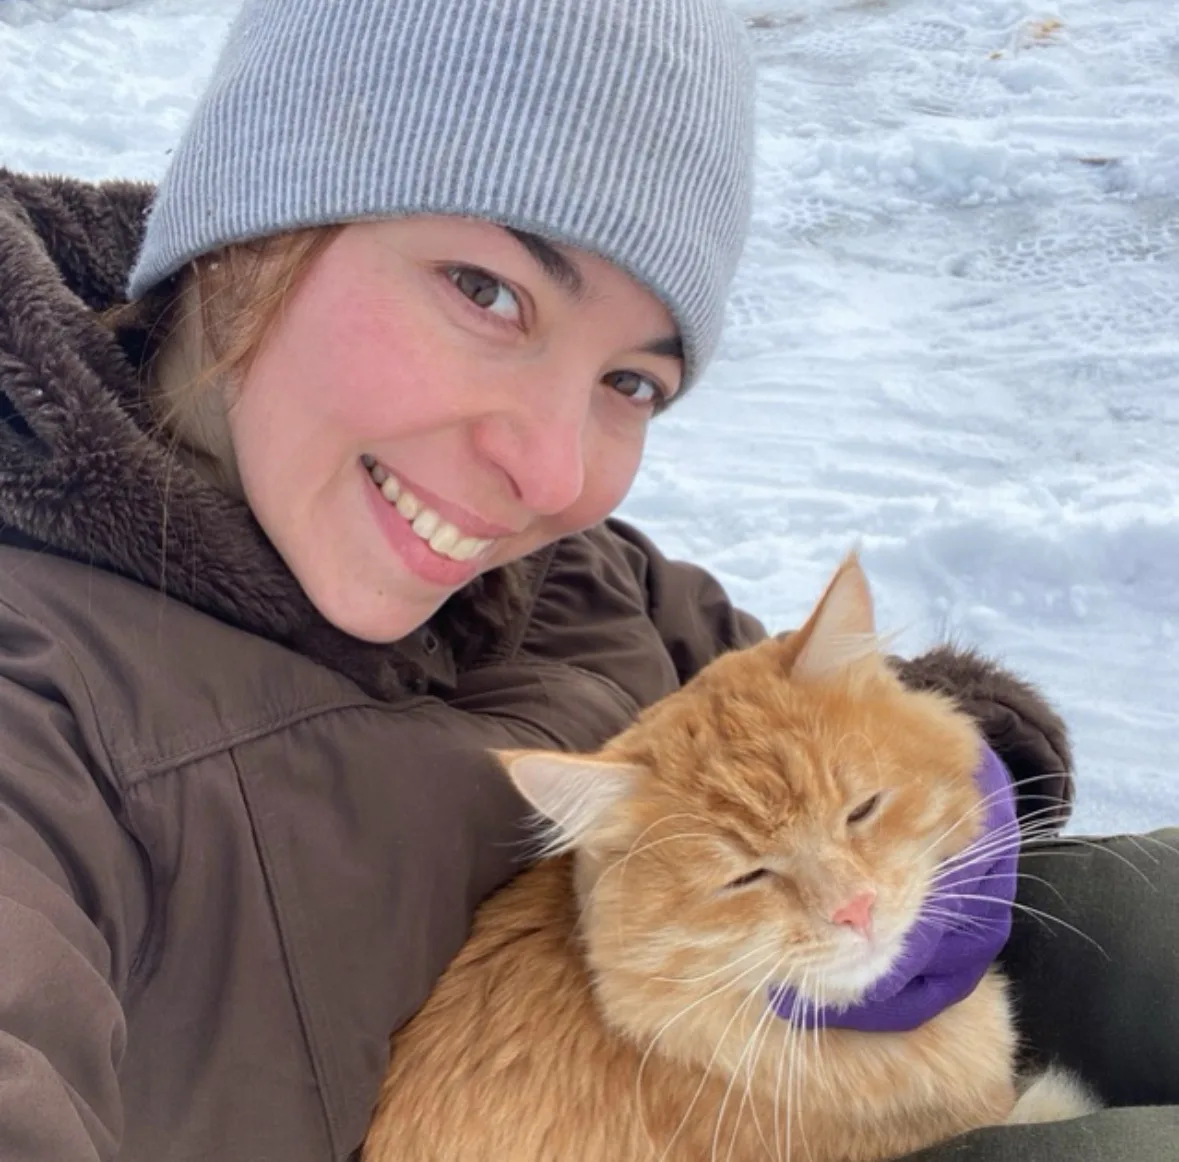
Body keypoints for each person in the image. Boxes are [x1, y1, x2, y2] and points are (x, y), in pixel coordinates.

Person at [0, 0, 1172, 1158]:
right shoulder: (37, 706)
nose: (551, 475)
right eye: (486, 290)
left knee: (1142, 915)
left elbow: (782, 708)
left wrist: (960, 759)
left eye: (632, 382)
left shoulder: (566, 571)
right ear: (250, 226)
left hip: (813, 1023)